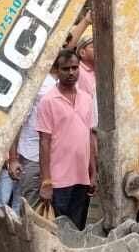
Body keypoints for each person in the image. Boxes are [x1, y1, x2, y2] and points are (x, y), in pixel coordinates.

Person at [36, 48, 97, 229]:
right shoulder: (48, 101)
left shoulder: (86, 98)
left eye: (74, 67)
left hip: (82, 178)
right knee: (58, 231)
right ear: (57, 71)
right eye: (66, 69)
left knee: (77, 229)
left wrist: (93, 173)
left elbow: (88, 135)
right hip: (58, 180)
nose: (71, 72)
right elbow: (44, 142)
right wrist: (46, 181)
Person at [8, 59, 57, 205]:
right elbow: (16, 122)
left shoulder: (67, 83)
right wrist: (13, 158)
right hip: (32, 156)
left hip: (58, 159)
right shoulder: (35, 83)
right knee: (31, 207)